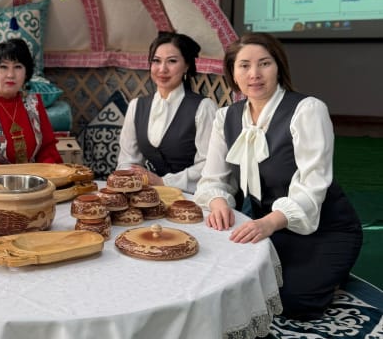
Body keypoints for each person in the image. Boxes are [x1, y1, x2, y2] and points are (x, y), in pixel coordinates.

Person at [194, 32, 362, 320]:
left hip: (324, 228)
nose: (254, 74)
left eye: (264, 64)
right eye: (244, 65)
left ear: (279, 67)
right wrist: (218, 202)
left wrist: (269, 223)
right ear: (233, 73)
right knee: (221, 282)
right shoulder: (226, 118)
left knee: (291, 301)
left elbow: (312, 186)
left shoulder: (307, 110)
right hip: (266, 227)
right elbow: (214, 179)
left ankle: (330, 272)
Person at [116, 31, 216, 193]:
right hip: (151, 194)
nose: (162, 69)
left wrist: (164, 182)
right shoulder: (137, 106)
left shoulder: (204, 107)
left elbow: (210, 164)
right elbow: (128, 159)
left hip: (193, 195)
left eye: (172, 61)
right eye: (156, 61)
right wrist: (130, 180)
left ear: (186, 66)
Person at [0, 38, 63, 166]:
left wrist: (48, 171)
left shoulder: (34, 103)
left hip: (35, 176)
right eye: (3, 67)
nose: (10, 75)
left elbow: (47, 149)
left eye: (18, 67)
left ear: (26, 74)